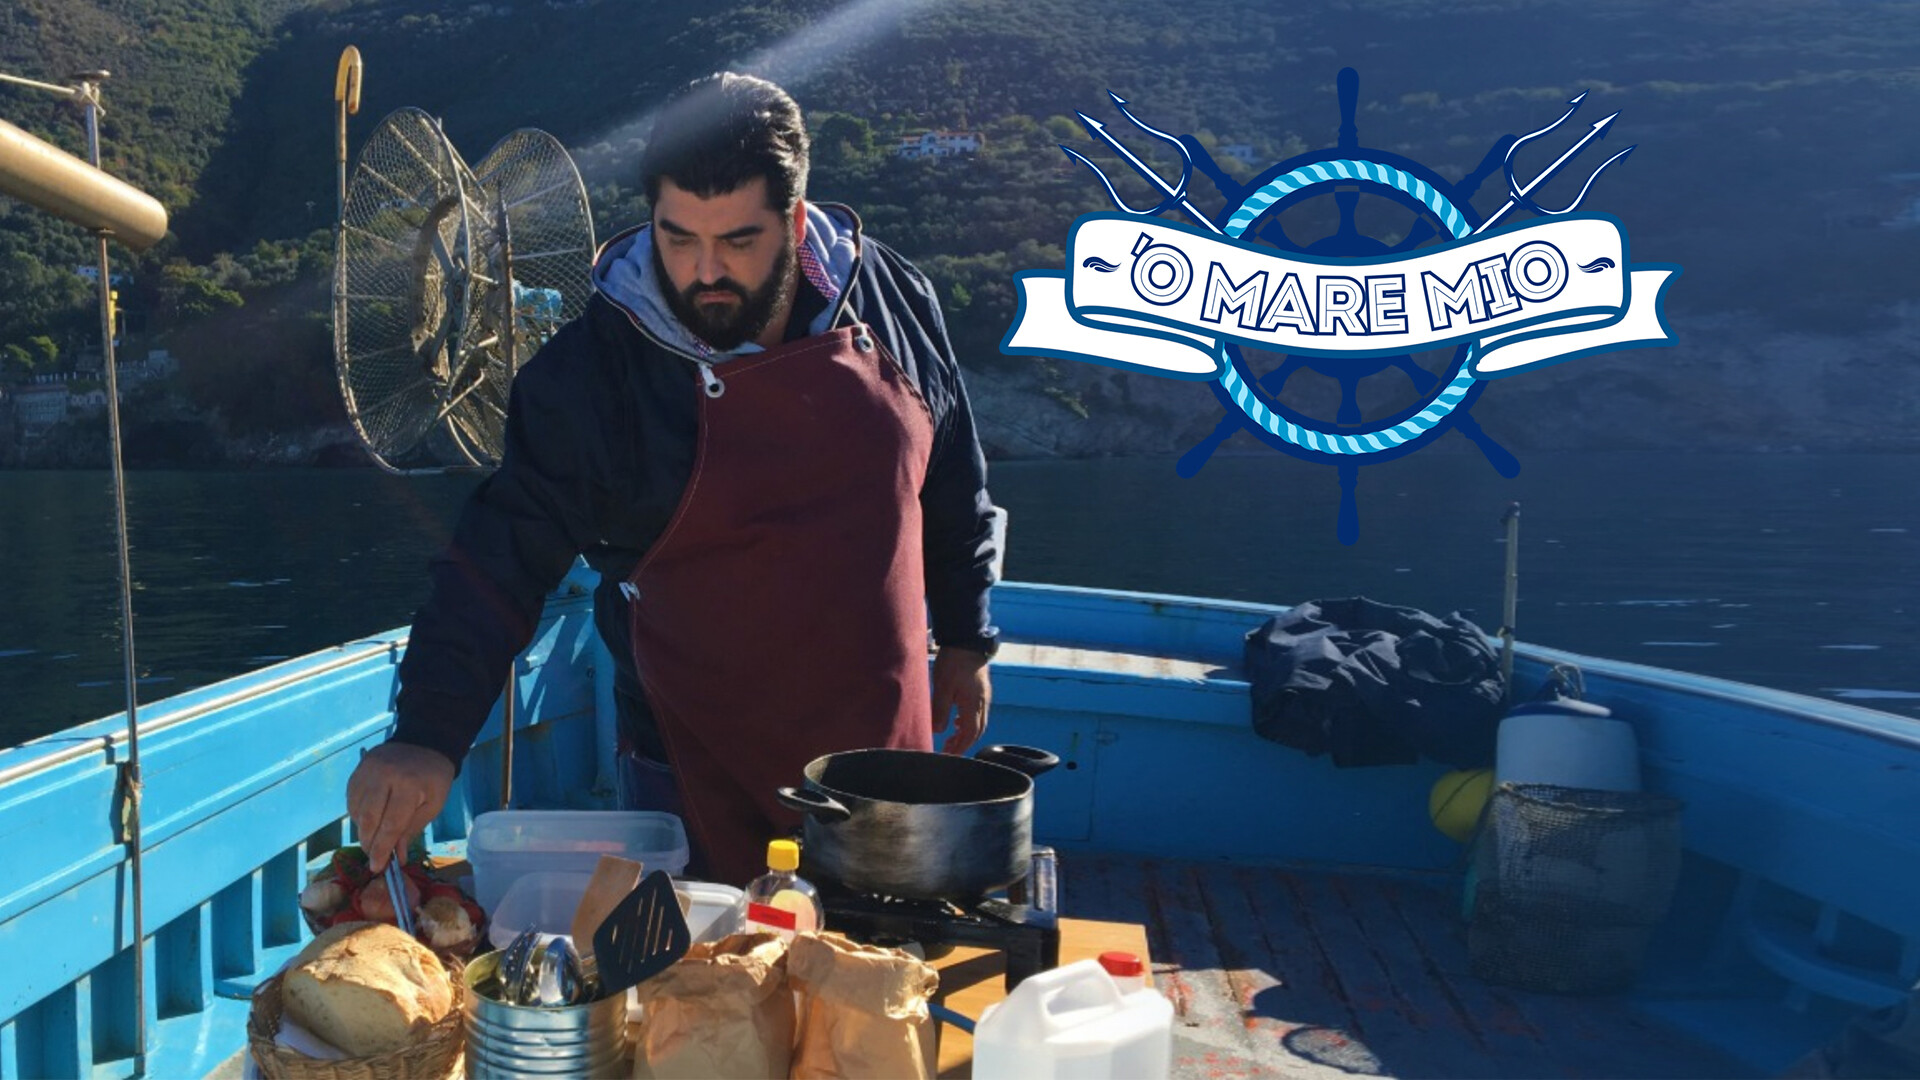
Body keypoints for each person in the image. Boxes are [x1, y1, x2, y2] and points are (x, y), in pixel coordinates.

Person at [347, 72, 1001, 886]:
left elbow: (953, 484)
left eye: (739, 241)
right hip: (690, 763)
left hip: (880, 760)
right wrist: (428, 736)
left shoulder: (896, 300)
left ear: (797, 222)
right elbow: (497, 558)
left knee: (871, 960)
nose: (705, 271)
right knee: (699, 964)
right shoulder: (591, 377)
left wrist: (967, 638)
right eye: (678, 238)